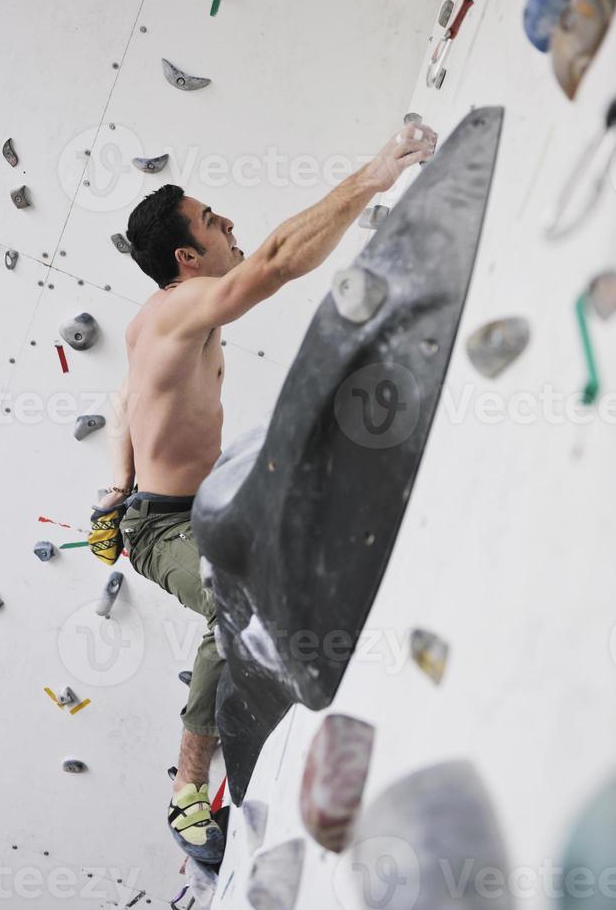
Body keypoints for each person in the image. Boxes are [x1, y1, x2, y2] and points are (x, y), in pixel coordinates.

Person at [88, 120, 437, 863]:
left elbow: (123, 400)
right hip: (163, 530)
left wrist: (111, 485)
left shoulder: (161, 323)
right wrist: (372, 177)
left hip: (181, 499)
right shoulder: (178, 309)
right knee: (226, 592)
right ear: (187, 256)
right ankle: (186, 796)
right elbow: (276, 260)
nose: (230, 224)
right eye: (213, 222)